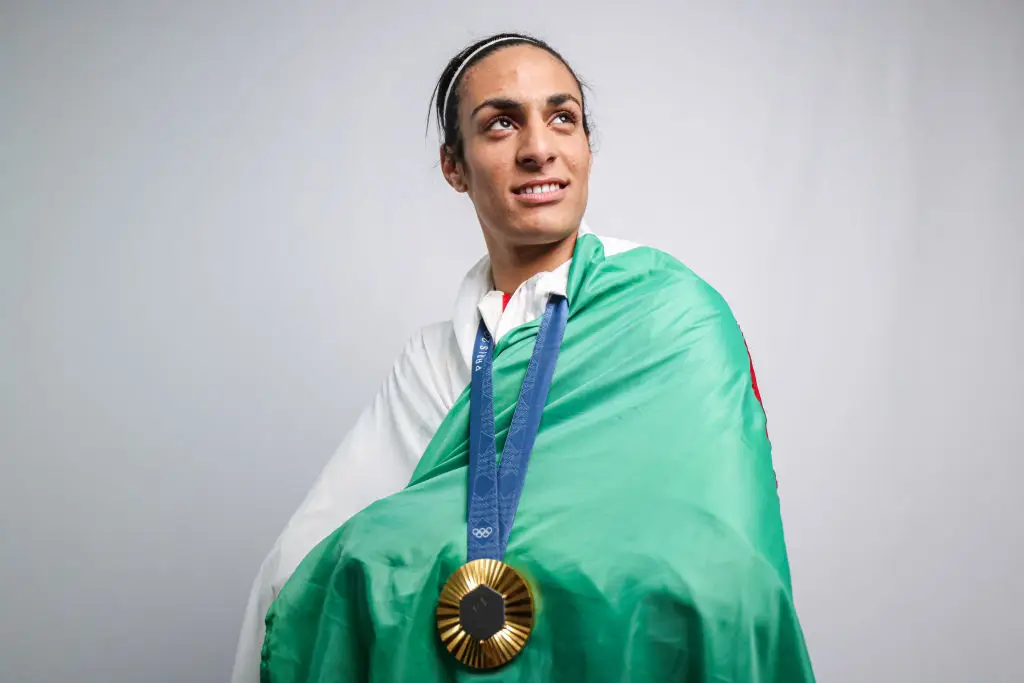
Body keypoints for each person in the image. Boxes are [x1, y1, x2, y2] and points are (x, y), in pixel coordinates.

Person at [231, 32, 815, 683]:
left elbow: (728, 569)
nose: (539, 149)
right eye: (501, 123)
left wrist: (440, 547)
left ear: (587, 146)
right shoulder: (434, 358)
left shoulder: (673, 312)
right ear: (455, 166)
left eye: (562, 117)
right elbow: (306, 568)